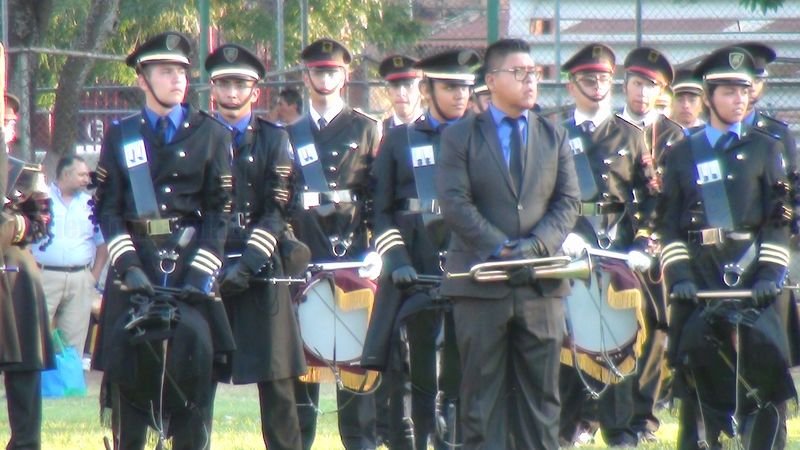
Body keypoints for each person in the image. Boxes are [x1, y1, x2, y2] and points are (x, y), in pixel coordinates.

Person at [92, 31, 235, 450]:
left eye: (182, 72)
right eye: (166, 71)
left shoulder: (212, 134)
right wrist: (129, 268)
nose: (177, 80)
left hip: (192, 279)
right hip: (136, 276)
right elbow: (108, 210)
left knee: (193, 406)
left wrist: (199, 274)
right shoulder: (121, 135)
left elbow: (218, 213)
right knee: (131, 410)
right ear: (143, 79)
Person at [436, 38, 580, 450]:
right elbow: (454, 202)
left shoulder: (554, 135)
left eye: (533, 73)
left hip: (541, 286)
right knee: (482, 401)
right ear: (492, 81)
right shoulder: (460, 136)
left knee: (542, 403)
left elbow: (568, 202)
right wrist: (499, 247)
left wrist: (535, 246)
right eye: (519, 73)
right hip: (481, 287)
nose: (530, 81)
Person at [659, 46, 796, 449]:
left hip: (755, 277)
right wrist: (680, 275)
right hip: (699, 277)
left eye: (744, 90)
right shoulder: (683, 153)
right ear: (708, 96)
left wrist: (771, 273)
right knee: (699, 383)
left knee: (763, 384)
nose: (739, 99)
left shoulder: (766, 148)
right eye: (729, 91)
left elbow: (780, 217)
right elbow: (668, 224)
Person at [364, 48, 479, 450]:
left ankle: (456, 439)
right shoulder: (399, 139)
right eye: (450, 87)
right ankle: (414, 437)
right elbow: (380, 213)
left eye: (466, 87)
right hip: (413, 267)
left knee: (463, 366)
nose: (460, 95)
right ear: (427, 88)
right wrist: (396, 259)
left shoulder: (483, 138)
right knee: (414, 367)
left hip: (470, 268)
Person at [556, 43, 659, 447]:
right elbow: (539, 195)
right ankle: (565, 431)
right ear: (571, 86)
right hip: (569, 251)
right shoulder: (554, 133)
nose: (597, 86)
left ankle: (620, 433)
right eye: (587, 79)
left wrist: (643, 243)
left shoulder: (631, 135)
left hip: (617, 253)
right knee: (569, 346)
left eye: (603, 79)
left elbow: (652, 198)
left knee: (620, 344)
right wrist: (559, 233)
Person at [205, 43, 306, 450]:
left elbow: (278, 209)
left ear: (256, 91)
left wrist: (247, 264)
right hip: (207, 264)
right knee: (196, 377)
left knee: (278, 384)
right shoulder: (197, 134)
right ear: (213, 89)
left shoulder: (274, 139)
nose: (232, 92)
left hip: (261, 268)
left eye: (240, 83)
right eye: (225, 83)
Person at [286, 37, 381, 450]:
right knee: (300, 381)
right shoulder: (287, 133)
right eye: (317, 70)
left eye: (332, 70)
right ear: (305, 75)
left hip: (353, 263)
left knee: (356, 377)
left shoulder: (367, 127)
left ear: (347, 75)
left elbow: (377, 197)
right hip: (303, 261)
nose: (324, 77)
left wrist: (378, 248)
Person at [620, 46, 685, 443]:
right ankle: (602, 415)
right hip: (613, 243)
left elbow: (674, 197)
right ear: (624, 84)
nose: (643, 92)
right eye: (638, 82)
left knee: (656, 329)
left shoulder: (674, 136)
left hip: (656, 250)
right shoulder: (609, 128)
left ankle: (642, 419)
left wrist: (653, 239)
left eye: (653, 86)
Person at [0, 91, 54, 450]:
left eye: (8, 121)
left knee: (24, 386)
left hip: (15, 282)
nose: (5, 127)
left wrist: (8, 222)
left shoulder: (24, 171)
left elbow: (41, 222)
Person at [32, 156, 107, 354]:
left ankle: (67, 384)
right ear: (66, 174)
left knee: (72, 344)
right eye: (81, 174)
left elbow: (102, 242)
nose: (87, 179)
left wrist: (94, 275)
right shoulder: (40, 200)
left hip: (80, 278)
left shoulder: (91, 204)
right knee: (34, 337)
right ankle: (37, 385)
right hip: (44, 276)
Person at [378, 54, 424, 135]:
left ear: (422, 89)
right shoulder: (380, 132)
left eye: (408, 85)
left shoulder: (437, 129)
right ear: (388, 91)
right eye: (395, 85)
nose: (401, 92)